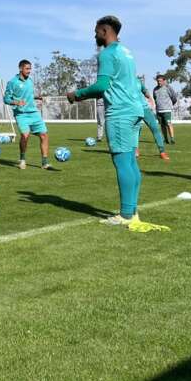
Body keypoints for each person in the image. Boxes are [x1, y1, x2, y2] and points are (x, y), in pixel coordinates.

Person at [67, 16, 144, 226]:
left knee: (122, 162)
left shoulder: (108, 53)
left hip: (120, 112)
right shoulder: (126, 52)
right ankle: (133, 211)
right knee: (130, 162)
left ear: (104, 30)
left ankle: (126, 215)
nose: (94, 35)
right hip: (135, 110)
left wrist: (77, 94)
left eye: (96, 31)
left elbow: (101, 86)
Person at [3, 59, 50, 169]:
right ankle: (22, 160)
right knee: (25, 135)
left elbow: (27, 95)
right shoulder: (12, 82)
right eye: (27, 69)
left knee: (44, 135)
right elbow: (6, 99)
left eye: (30, 69)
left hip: (34, 113)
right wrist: (16, 102)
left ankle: (44, 163)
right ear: (20, 68)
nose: (29, 71)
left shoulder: (30, 81)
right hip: (21, 114)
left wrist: (37, 97)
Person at [138, 82, 171, 161]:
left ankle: (162, 152)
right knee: (136, 130)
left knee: (155, 129)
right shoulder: (123, 82)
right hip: (133, 109)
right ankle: (135, 150)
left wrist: (151, 99)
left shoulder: (138, 82)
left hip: (145, 108)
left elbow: (146, 93)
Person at [152, 74, 179, 144]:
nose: (159, 82)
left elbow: (174, 98)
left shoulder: (168, 88)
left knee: (169, 124)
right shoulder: (155, 89)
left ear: (164, 81)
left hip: (167, 110)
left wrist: (169, 105)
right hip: (159, 110)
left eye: (160, 81)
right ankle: (165, 139)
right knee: (162, 125)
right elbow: (155, 98)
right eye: (158, 81)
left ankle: (172, 139)